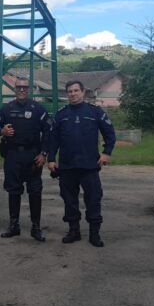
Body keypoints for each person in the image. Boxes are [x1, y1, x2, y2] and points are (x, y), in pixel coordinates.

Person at [47, 80, 116, 247]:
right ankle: (74, 231)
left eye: (76, 90)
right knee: (69, 200)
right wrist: (50, 159)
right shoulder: (61, 114)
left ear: (83, 92)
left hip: (89, 166)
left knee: (93, 199)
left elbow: (109, 134)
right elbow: (53, 139)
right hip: (67, 166)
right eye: (70, 91)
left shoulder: (95, 112)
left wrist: (106, 153)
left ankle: (94, 234)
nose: (73, 94)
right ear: (67, 94)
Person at [0, 77, 52, 241]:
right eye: (19, 87)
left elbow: (48, 132)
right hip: (12, 155)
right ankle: (14, 226)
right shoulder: (6, 109)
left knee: (35, 191)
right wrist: (2, 131)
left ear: (29, 89)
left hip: (33, 156)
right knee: (13, 190)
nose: (22, 90)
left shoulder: (38, 109)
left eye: (25, 87)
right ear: (14, 89)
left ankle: (36, 227)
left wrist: (44, 153)